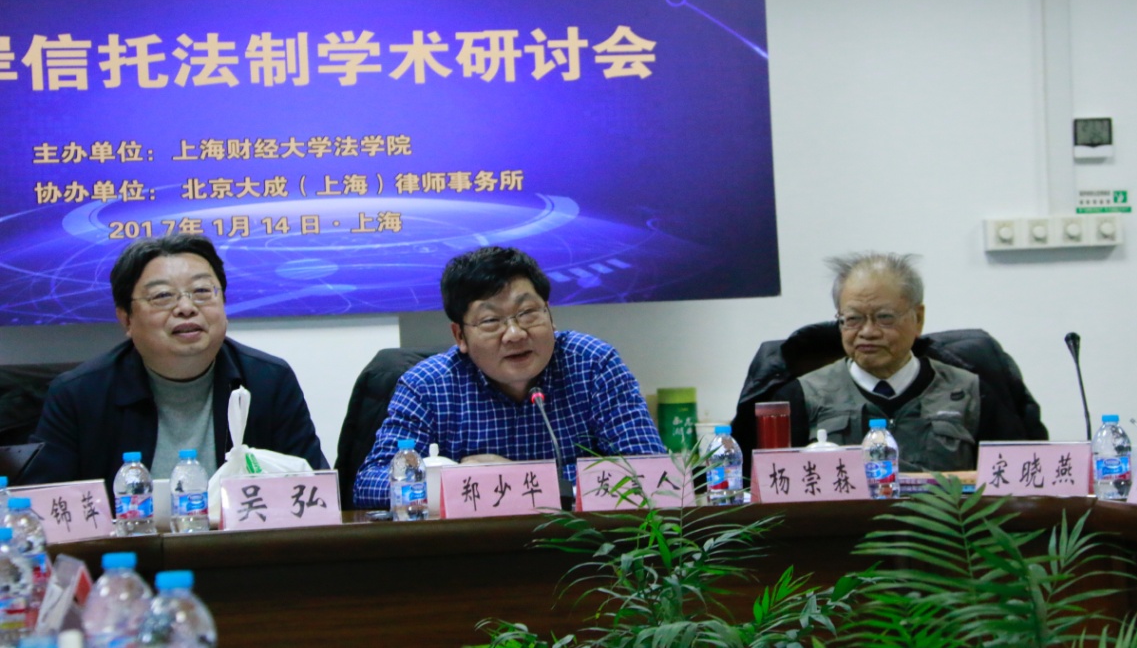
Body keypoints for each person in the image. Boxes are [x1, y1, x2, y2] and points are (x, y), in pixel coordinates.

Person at [354, 246, 665, 508]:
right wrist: (458, 480)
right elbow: (369, 484)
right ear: (460, 335)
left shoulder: (592, 364)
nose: (515, 334)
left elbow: (651, 470)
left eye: (527, 313)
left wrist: (517, 478)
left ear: (550, 315)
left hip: (581, 550)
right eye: (491, 321)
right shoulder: (427, 386)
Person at [24, 235, 327, 485]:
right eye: (162, 296)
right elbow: (47, 508)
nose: (186, 307)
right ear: (126, 319)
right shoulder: (79, 394)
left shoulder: (268, 381)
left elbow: (316, 493)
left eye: (201, 291)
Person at [791, 252, 1023, 473]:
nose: (868, 332)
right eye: (853, 319)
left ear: (918, 318)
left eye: (884, 317)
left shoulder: (970, 393)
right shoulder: (803, 396)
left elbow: (1014, 481)